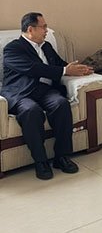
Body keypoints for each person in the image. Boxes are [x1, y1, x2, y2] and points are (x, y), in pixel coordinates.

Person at [1, 12, 93, 180]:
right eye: (43, 27)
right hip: (21, 93)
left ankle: (62, 157)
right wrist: (64, 70)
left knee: (61, 104)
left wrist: (78, 69)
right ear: (30, 29)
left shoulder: (46, 46)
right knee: (31, 111)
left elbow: (60, 65)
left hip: (44, 91)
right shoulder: (13, 49)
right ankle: (41, 161)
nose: (46, 30)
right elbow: (33, 68)